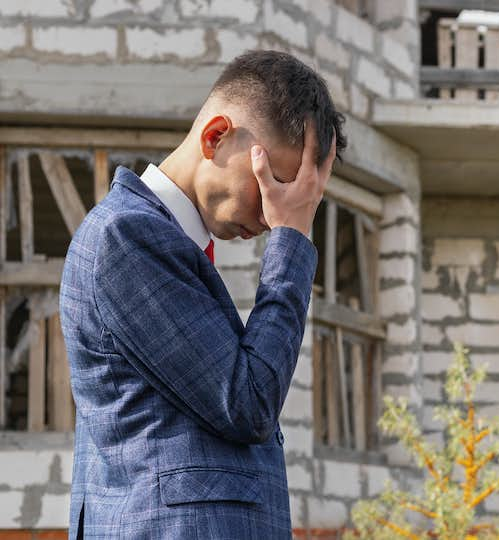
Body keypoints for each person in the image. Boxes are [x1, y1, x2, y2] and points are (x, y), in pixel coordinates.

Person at [59, 50, 346, 539]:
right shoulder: (126, 238)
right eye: (273, 183)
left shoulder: (164, 243)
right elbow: (248, 401)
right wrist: (293, 240)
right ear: (216, 137)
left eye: (299, 200)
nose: (273, 214)